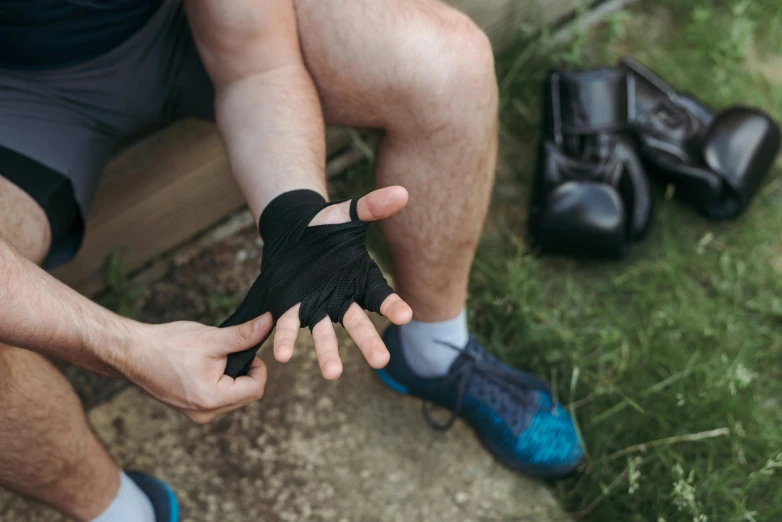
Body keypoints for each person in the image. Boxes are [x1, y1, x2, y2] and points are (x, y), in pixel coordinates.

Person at [0, 1, 583, 520]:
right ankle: (121, 512)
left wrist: (293, 217)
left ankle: (433, 353)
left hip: (175, 21)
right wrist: (122, 347)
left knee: (447, 64)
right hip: (19, 97)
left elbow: (255, 63)